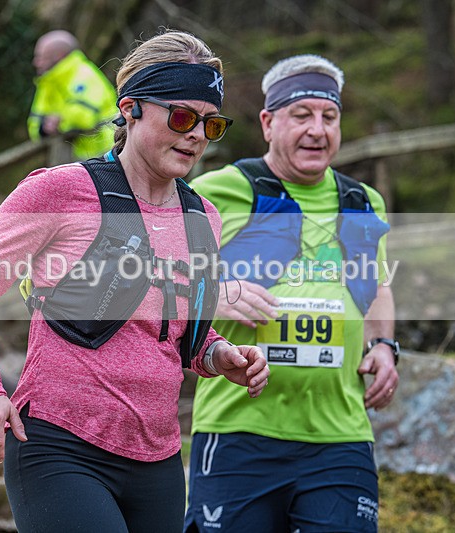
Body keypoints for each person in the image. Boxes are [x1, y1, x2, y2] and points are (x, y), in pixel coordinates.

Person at [0, 30, 270, 533]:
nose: (197, 135)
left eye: (212, 123)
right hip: (58, 447)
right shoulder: (61, 190)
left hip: (157, 459)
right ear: (131, 108)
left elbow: (179, 332)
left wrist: (219, 355)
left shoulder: (202, 217)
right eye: (181, 117)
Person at [184, 54, 399, 533]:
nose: (317, 131)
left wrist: (384, 346)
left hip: (339, 435)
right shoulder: (218, 191)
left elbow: (377, 285)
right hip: (238, 430)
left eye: (329, 117)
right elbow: (163, 280)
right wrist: (214, 295)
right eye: (302, 116)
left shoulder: (362, 201)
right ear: (268, 122)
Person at [27, 30, 118, 160]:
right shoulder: (47, 82)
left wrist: (58, 121)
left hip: (108, 152)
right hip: (80, 157)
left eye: (41, 57)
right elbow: (34, 123)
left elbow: (85, 117)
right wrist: (44, 128)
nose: (36, 62)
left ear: (59, 55)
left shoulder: (85, 74)